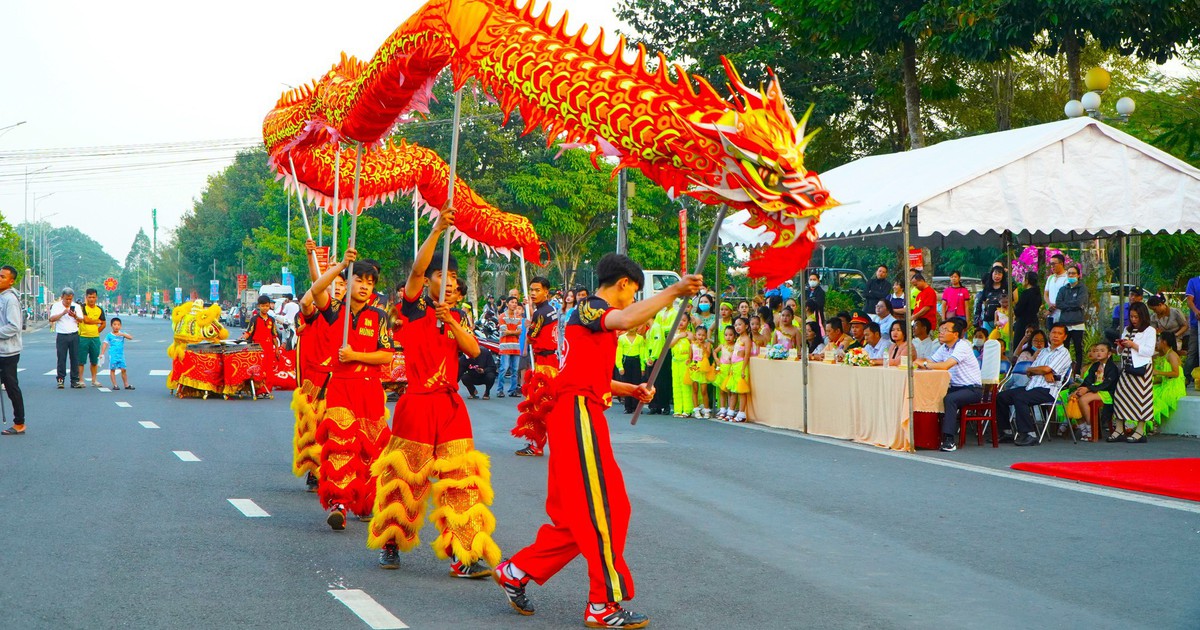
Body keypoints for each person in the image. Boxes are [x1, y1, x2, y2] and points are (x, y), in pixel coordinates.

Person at [493, 254, 701, 629]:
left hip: (579, 411)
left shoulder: (587, 318)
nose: (632, 301)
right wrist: (674, 290)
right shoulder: (592, 308)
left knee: (581, 518)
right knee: (607, 510)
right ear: (623, 284)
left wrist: (630, 389)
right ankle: (602, 604)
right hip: (577, 415)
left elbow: (588, 376)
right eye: (633, 292)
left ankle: (517, 569)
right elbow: (624, 319)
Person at [369, 208, 498, 578]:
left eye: (455, 277)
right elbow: (414, 272)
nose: (450, 282)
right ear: (429, 281)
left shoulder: (459, 315)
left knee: (461, 479)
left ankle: (465, 553)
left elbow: (474, 352)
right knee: (406, 480)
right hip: (416, 406)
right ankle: (391, 543)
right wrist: (438, 229)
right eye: (443, 275)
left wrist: (452, 321)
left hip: (451, 406)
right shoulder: (410, 308)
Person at [308, 249, 393, 532]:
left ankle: (364, 502)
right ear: (349, 281)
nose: (366, 286)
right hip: (341, 390)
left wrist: (356, 355)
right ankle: (339, 504)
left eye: (371, 282)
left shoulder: (379, 316)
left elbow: (386, 356)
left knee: (370, 452)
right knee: (341, 446)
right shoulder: (334, 310)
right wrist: (342, 265)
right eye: (360, 280)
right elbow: (315, 290)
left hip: (369, 390)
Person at [293, 239, 347, 492]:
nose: (335, 287)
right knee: (315, 428)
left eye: (340, 284)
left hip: (345, 378)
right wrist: (315, 261)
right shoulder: (319, 311)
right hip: (317, 376)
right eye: (332, 283)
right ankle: (315, 471)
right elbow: (311, 296)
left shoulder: (352, 313)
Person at [996, 324, 1073, 446]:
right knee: (1001, 396)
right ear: (1049, 334)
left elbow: (1045, 368)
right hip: (1031, 386)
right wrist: (1042, 371)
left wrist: (1042, 370)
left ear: (1065, 337)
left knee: (1020, 399)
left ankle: (1029, 434)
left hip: (1048, 389)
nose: (1056, 336)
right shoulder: (1043, 351)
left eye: (1059, 333)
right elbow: (1029, 371)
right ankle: (1006, 431)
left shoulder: (1063, 353)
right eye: (1053, 332)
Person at [916, 319, 982, 452]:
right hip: (954, 387)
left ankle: (949, 440)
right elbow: (931, 361)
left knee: (949, 399)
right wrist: (920, 361)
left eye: (945, 330)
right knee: (933, 395)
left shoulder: (962, 346)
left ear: (956, 334)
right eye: (941, 330)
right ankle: (929, 436)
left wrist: (924, 364)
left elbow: (945, 366)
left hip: (971, 389)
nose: (941, 333)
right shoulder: (944, 347)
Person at [512, 276, 560, 457]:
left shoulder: (540, 313)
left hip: (544, 367)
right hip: (551, 363)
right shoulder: (551, 310)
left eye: (537, 290)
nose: (533, 293)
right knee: (548, 406)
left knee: (539, 408)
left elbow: (532, 337)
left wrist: (528, 325)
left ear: (546, 291)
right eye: (531, 290)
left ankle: (537, 446)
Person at [1108, 302, 1157, 443]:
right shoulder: (1127, 329)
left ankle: (1140, 431)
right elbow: (1119, 351)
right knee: (1120, 396)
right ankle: (1119, 428)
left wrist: (1133, 345)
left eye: (1136, 317)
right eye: (1131, 317)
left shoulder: (1150, 331)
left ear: (1143, 316)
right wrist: (1121, 346)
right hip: (1126, 368)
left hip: (1141, 369)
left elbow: (1148, 351)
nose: (1134, 320)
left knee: (1141, 399)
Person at [1069, 342, 1118, 441]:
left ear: (1109, 354)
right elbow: (1088, 380)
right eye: (1097, 351)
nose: (1098, 353)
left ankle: (1091, 428)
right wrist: (1080, 389)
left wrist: (1088, 389)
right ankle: (1083, 429)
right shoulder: (1095, 365)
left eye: (1102, 351)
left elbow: (1107, 384)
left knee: (1083, 399)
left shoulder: (1112, 367)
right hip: (1094, 390)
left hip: (1107, 392)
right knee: (1074, 397)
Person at [0, 266, 26, 436]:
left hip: (8, 351)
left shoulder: (10, 299)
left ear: (11, 281)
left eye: (2, 277)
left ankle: (19, 423)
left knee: (11, 386)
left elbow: (14, 326)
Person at [645, 300, 680, 415]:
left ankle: (665, 404)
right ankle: (655, 405)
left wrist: (662, 329)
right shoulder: (659, 315)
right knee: (654, 379)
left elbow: (671, 327)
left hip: (665, 346)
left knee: (664, 378)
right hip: (656, 347)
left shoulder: (675, 313)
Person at [1053, 265, 1088, 374]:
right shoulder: (1063, 289)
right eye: (1069, 273)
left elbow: (1079, 302)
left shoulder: (1082, 288)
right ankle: (1064, 371)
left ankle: (1077, 373)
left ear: (1078, 275)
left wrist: (1067, 305)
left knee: (1078, 349)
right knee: (1065, 348)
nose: (1071, 275)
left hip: (1077, 324)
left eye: (1073, 273)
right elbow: (1058, 303)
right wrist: (1073, 305)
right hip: (1065, 324)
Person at [241, 295, 277, 398]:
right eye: (263, 306)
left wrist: (277, 349)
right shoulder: (254, 319)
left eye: (267, 306)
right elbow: (249, 332)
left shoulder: (272, 320)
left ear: (269, 306)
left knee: (269, 370)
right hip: (257, 348)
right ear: (259, 306)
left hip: (269, 348)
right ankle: (259, 391)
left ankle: (267, 390)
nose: (265, 308)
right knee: (259, 370)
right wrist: (242, 338)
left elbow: (274, 335)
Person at [49, 288, 84, 389]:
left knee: (75, 358)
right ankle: (60, 379)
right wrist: (63, 313)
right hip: (62, 335)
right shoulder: (56, 306)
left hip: (74, 334)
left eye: (70, 299)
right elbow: (51, 319)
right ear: (62, 297)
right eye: (66, 299)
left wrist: (75, 316)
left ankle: (74, 380)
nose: (68, 301)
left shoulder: (76, 306)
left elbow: (81, 320)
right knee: (61, 358)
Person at [1151, 331, 1185, 430]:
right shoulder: (1159, 356)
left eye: (1158, 340)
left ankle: (1153, 424)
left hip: (1174, 386)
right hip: (1164, 384)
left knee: (1156, 398)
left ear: (1164, 342)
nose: (1156, 343)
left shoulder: (1172, 355)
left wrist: (1158, 372)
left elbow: (1176, 373)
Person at [76, 288, 107, 387]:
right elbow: (86, 320)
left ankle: (94, 380)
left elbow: (104, 323)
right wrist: (96, 321)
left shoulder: (99, 309)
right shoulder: (82, 307)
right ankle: (81, 380)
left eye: (93, 297)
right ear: (86, 297)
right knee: (81, 360)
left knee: (94, 360)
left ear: (96, 298)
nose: (91, 299)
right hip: (83, 337)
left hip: (95, 338)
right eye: (89, 297)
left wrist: (96, 331)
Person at [616, 325, 648, 414]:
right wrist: (620, 366)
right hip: (626, 360)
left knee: (636, 384)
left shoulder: (640, 339)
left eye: (634, 326)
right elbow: (618, 353)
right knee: (626, 384)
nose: (631, 328)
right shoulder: (622, 338)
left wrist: (642, 367)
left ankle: (636, 407)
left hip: (636, 361)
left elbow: (642, 353)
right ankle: (628, 407)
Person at [496, 296, 524, 398]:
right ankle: (500, 389)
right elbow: (504, 331)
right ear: (507, 304)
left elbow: (519, 332)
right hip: (505, 347)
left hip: (515, 347)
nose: (514, 304)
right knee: (504, 368)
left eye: (516, 302)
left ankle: (512, 390)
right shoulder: (502, 316)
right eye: (512, 302)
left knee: (515, 370)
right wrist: (514, 332)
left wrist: (510, 332)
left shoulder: (519, 318)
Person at [668, 318, 694, 418]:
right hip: (675, 361)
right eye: (679, 320)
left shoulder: (690, 334)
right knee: (676, 385)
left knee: (685, 385)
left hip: (686, 361)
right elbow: (669, 345)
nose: (681, 322)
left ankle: (687, 409)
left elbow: (695, 345)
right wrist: (679, 337)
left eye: (683, 320)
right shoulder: (674, 333)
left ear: (688, 322)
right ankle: (678, 409)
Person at [100, 317, 134, 390]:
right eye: (114, 324)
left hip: (121, 355)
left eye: (118, 325)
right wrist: (102, 353)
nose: (116, 326)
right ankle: (115, 385)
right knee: (113, 369)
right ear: (111, 326)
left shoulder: (122, 334)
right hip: (112, 355)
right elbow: (105, 344)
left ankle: (126, 384)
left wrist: (123, 334)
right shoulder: (109, 335)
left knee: (123, 369)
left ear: (120, 326)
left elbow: (131, 337)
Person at [688, 325, 714, 418]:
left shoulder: (707, 344)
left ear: (706, 336)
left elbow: (707, 355)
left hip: (703, 368)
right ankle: (696, 409)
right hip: (694, 367)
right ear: (695, 335)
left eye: (703, 335)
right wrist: (688, 361)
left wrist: (703, 346)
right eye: (699, 335)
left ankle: (706, 409)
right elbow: (690, 357)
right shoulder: (692, 344)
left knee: (704, 390)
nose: (701, 337)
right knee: (695, 390)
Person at [1012, 271, 1043, 346]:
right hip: (1034, 321)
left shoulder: (1026, 293)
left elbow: (1018, 309)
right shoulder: (1038, 293)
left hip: (1023, 323)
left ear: (1027, 280)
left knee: (1019, 344)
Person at [975, 267, 1007, 333]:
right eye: (995, 274)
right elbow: (982, 301)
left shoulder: (1006, 287)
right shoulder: (987, 287)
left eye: (999, 274)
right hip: (988, 319)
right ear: (991, 274)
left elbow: (1012, 301)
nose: (997, 276)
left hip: (1003, 319)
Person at [1043, 253, 1069, 328]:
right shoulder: (1050, 278)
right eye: (1050, 264)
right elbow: (1046, 294)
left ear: (1061, 263)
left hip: (1062, 314)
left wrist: (1055, 305)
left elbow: (1066, 296)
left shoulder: (1067, 277)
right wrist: (1049, 304)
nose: (1052, 266)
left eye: (1054, 264)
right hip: (1051, 314)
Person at [1186, 274, 1200, 388]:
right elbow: (1189, 301)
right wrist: (1196, 311)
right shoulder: (1193, 282)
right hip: (1196, 325)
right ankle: (1186, 377)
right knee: (1193, 351)